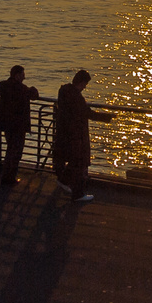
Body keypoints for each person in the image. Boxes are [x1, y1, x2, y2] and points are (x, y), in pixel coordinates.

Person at [52, 69, 113, 203]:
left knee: (73, 162)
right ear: (81, 82)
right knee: (79, 163)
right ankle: (77, 194)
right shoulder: (76, 97)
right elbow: (87, 113)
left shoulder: (64, 91)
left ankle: (63, 181)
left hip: (64, 132)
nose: (85, 87)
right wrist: (107, 117)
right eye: (85, 84)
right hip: (75, 135)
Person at [0, 65, 39, 187]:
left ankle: (6, 176)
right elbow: (35, 95)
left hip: (6, 123)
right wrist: (33, 89)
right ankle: (9, 178)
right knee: (16, 152)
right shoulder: (22, 89)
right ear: (17, 75)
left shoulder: (3, 85)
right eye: (23, 74)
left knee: (10, 149)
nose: (24, 76)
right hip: (18, 125)